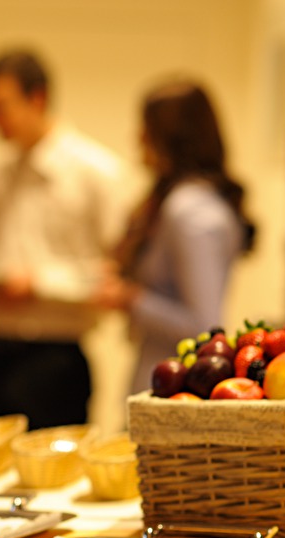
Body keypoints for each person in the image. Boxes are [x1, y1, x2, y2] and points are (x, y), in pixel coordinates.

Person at [0, 50, 127, 430]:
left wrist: (39, 285)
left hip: (57, 357)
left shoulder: (95, 173)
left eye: (2, 106)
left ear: (36, 98)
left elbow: (116, 277)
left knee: (55, 479)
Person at [96, 80, 255, 395]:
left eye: (146, 128)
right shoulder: (183, 202)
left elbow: (204, 326)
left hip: (175, 390)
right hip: (162, 380)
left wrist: (132, 299)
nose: (138, 138)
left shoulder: (190, 211)